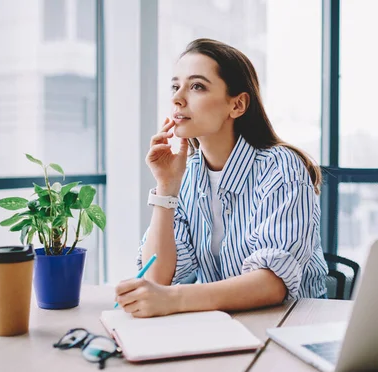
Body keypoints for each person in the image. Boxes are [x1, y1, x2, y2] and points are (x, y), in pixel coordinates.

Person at [115, 38, 328, 317]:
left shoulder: (281, 168)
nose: (177, 98)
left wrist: (174, 299)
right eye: (175, 86)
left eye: (197, 86)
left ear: (237, 105)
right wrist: (166, 188)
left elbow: (272, 283)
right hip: (224, 324)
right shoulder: (188, 174)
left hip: (290, 324)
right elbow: (156, 278)